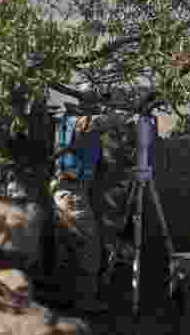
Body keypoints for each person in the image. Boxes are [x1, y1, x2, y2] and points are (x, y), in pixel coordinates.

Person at [49, 109, 129, 314]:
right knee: (89, 248)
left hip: (64, 191)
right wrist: (122, 115)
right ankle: (86, 301)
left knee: (67, 247)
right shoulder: (79, 122)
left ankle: (64, 298)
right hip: (72, 194)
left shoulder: (65, 123)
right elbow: (98, 122)